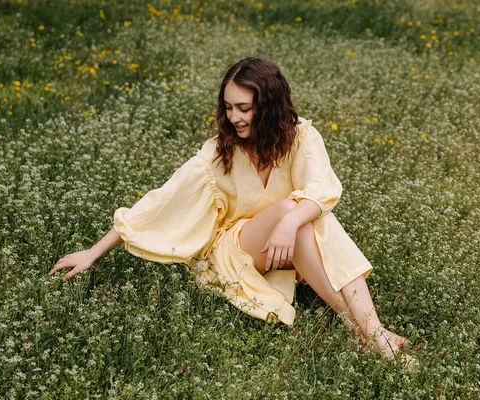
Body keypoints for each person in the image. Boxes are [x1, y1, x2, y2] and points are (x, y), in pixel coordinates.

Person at [49, 57, 414, 369]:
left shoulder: (301, 136)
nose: (233, 117)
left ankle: (368, 330)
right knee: (297, 210)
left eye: (244, 108)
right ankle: (370, 333)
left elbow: (324, 189)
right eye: (228, 107)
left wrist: (290, 221)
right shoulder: (218, 152)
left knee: (310, 215)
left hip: (290, 242)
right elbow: (160, 202)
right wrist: (94, 251)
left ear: (269, 105)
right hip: (240, 249)